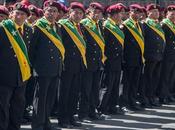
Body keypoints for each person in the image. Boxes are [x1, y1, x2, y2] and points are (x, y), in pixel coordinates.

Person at [30, 1, 65, 130]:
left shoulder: (57, 27)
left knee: (50, 98)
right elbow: (31, 50)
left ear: (57, 14)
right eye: (49, 10)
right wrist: (35, 67)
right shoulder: (38, 26)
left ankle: (46, 122)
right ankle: (38, 124)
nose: (51, 13)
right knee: (40, 98)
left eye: (54, 11)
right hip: (42, 68)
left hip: (55, 68)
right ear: (44, 11)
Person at [0, 2, 32, 130]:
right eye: (16, 13)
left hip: (21, 75)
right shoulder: (3, 28)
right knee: (2, 106)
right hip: (4, 74)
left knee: (18, 106)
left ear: (26, 17)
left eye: (22, 14)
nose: (18, 16)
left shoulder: (29, 30)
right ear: (11, 14)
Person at [58, 2, 86, 128]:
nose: (78, 15)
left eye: (81, 13)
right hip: (67, 65)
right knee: (65, 93)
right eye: (76, 12)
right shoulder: (63, 26)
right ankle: (63, 119)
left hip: (79, 65)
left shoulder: (81, 27)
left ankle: (71, 116)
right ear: (70, 12)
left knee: (74, 93)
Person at [79, 2, 105, 120]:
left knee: (95, 89)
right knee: (86, 89)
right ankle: (83, 113)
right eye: (95, 12)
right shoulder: (84, 24)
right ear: (89, 12)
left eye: (99, 13)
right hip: (88, 62)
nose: (97, 14)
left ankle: (92, 111)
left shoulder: (98, 24)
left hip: (97, 61)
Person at [98, 4, 125, 115]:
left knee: (115, 85)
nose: (122, 16)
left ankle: (112, 106)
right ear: (113, 15)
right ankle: (102, 107)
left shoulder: (117, 26)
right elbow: (104, 45)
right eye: (120, 13)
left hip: (117, 60)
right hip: (109, 60)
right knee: (107, 85)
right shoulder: (106, 25)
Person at [121, 4, 144, 111]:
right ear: (129, 13)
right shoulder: (125, 25)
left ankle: (132, 101)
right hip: (129, 58)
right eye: (134, 12)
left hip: (139, 58)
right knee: (127, 83)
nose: (137, 14)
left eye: (138, 12)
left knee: (135, 82)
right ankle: (124, 103)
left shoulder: (140, 25)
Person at [143, 4, 165, 107]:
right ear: (148, 13)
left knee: (155, 78)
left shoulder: (158, 24)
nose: (157, 13)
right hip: (149, 56)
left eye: (157, 11)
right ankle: (146, 98)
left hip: (158, 56)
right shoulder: (145, 24)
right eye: (154, 11)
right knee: (148, 78)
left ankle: (152, 97)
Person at [159, 5, 175, 104]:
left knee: (172, 76)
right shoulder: (164, 24)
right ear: (167, 14)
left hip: (173, 54)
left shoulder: (173, 25)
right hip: (166, 54)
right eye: (172, 14)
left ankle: (169, 94)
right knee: (165, 75)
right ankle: (163, 95)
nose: (174, 16)